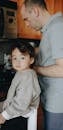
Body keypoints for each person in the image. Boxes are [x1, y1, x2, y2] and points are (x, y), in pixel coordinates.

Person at [21, 0, 63, 130]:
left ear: (35, 11)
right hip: (51, 99)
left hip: (58, 103)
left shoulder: (57, 27)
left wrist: (33, 69)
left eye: (26, 19)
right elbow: (50, 54)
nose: (26, 24)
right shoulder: (50, 28)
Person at [0, 42, 41, 130]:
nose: (18, 61)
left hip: (20, 116)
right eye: (14, 58)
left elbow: (21, 102)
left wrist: (5, 115)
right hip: (15, 114)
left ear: (31, 60)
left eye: (22, 58)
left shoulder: (27, 76)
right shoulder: (22, 72)